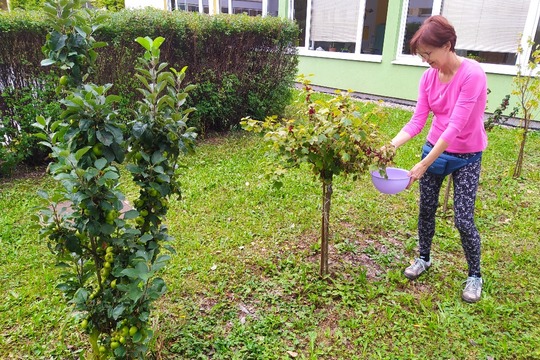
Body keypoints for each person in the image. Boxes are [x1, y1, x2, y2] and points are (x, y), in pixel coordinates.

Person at [388, 15, 488, 303]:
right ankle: (423, 258)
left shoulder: (473, 75)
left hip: (466, 154)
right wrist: (390, 145)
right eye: (422, 55)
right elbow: (417, 121)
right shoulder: (428, 77)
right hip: (435, 147)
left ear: (447, 45)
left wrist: (423, 164)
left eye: (428, 54)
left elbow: (455, 128)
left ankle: (475, 276)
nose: (425, 60)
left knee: (463, 219)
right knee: (426, 209)